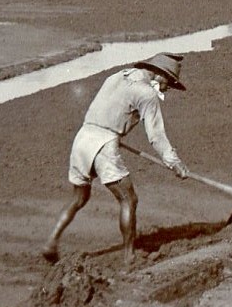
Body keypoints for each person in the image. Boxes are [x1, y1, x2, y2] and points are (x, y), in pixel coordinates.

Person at [42, 53, 191, 267]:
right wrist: (174, 162)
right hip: (104, 145)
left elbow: (106, 108)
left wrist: (112, 130)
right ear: (158, 74)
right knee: (128, 200)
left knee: (79, 198)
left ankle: (50, 243)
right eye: (169, 82)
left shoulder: (116, 77)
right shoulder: (147, 93)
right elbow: (156, 136)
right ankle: (130, 257)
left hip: (83, 137)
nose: (168, 88)